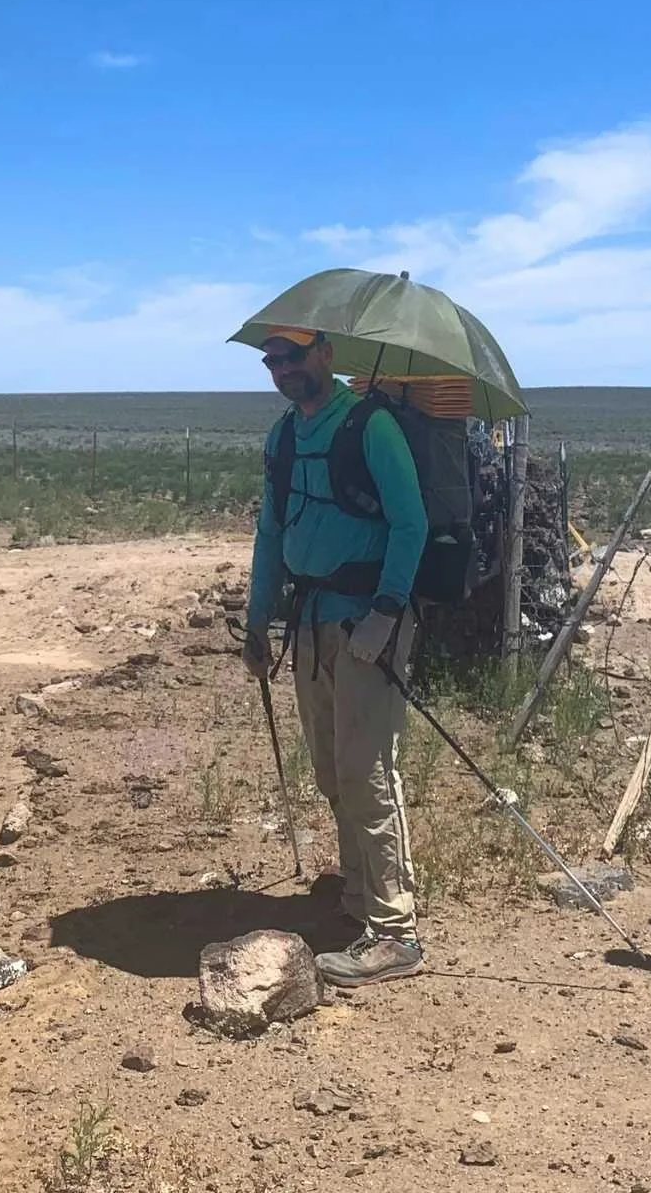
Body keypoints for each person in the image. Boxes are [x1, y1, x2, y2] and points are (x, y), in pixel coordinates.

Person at [241, 327, 429, 988]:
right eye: (272, 360)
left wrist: (387, 609)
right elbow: (271, 532)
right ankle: (358, 894)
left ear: (325, 352)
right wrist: (257, 620)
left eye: (293, 355)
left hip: (367, 621)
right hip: (311, 621)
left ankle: (396, 932)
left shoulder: (372, 427)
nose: (282, 368)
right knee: (329, 769)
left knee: (366, 772)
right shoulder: (283, 437)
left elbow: (411, 524)